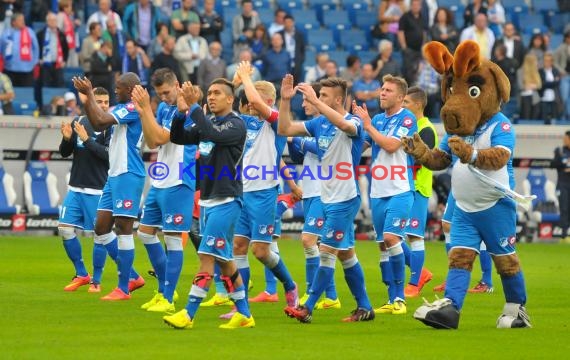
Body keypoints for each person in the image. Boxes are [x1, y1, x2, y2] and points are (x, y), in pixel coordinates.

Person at [280, 75, 374, 323]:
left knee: (326, 251)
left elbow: (345, 127)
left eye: (323, 96)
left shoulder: (353, 121)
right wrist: (285, 101)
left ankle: (307, 306)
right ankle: (365, 307)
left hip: (345, 198)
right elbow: (285, 129)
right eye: (318, 95)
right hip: (327, 196)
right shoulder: (320, 123)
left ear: (339, 99)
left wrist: (315, 101)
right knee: (346, 254)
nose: (317, 99)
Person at [163, 78, 255, 329]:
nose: (211, 97)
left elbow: (212, 134)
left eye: (217, 93)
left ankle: (188, 314)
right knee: (224, 260)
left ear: (230, 99)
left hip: (227, 199)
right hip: (207, 200)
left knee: (205, 255)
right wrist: (182, 111)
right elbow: (178, 136)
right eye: (210, 93)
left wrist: (193, 107)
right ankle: (245, 314)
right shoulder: (210, 122)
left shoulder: (236, 124)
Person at [226, 62, 299, 318]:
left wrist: (246, 76)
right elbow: (225, 108)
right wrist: (235, 84)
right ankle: (241, 307)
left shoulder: (277, 121)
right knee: (237, 247)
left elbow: (254, 99)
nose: (249, 102)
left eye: (254, 98)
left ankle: (290, 286)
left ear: (268, 100)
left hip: (264, 193)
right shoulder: (246, 122)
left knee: (261, 251)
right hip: (242, 191)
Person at [72, 73, 146, 301]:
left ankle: (123, 287)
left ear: (131, 89)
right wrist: (89, 98)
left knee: (124, 229)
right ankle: (133, 276)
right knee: (101, 227)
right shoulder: (122, 108)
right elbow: (98, 120)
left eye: (119, 87)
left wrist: (89, 95)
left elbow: (100, 121)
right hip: (114, 175)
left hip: (128, 173)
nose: (115, 91)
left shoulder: (133, 107)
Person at [131, 68, 196, 313]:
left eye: (167, 92)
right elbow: (150, 140)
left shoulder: (187, 107)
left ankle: (167, 297)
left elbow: (159, 137)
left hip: (180, 178)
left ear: (177, 85)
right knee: (146, 233)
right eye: (160, 94)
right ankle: (163, 290)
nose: (165, 97)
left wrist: (146, 109)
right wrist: (145, 111)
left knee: (172, 238)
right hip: (161, 179)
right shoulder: (162, 108)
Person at [352, 75, 417, 316]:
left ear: (400, 97)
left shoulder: (407, 119)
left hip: (400, 189)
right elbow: (363, 146)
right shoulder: (378, 118)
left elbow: (390, 145)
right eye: (381, 89)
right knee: (382, 244)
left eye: (388, 90)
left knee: (391, 238)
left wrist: (367, 124)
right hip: (378, 191)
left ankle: (401, 298)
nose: (382, 93)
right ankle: (391, 297)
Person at [286, 82, 341, 310]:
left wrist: (298, 141)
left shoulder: (334, 124)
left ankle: (312, 294)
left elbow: (323, 149)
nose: (304, 104)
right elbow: (301, 155)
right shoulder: (312, 125)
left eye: (307, 99)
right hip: (310, 189)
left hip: (324, 191)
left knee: (309, 241)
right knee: (323, 245)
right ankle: (331, 296)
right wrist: (297, 144)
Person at [58, 87, 111, 293]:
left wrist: (87, 140)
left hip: (97, 190)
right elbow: (65, 153)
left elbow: (107, 156)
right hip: (75, 188)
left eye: (106, 101)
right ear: (90, 101)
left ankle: (96, 281)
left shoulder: (110, 126)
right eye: (100, 101)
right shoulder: (78, 121)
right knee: (64, 229)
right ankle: (81, 273)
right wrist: (66, 138)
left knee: (99, 235)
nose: (104, 105)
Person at [400, 86, 436, 298]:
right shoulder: (411, 127)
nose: (403, 106)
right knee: (391, 236)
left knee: (414, 235)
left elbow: (421, 159)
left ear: (418, 105)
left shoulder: (425, 129)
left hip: (418, 188)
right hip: (405, 187)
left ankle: (414, 282)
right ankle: (420, 272)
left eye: (406, 102)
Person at [0, 12, 39, 87]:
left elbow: (36, 49)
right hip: (9, 69)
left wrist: (34, 63)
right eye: (20, 20)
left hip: (27, 70)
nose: (23, 22)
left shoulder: (30, 32)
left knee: (25, 94)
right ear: (13, 22)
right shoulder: (5, 33)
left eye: (23, 20)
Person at [553, 131, 570, 243]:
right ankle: (564, 235)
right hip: (562, 185)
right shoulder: (559, 151)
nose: (564, 140)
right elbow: (553, 164)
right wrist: (565, 165)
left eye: (566, 138)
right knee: (564, 208)